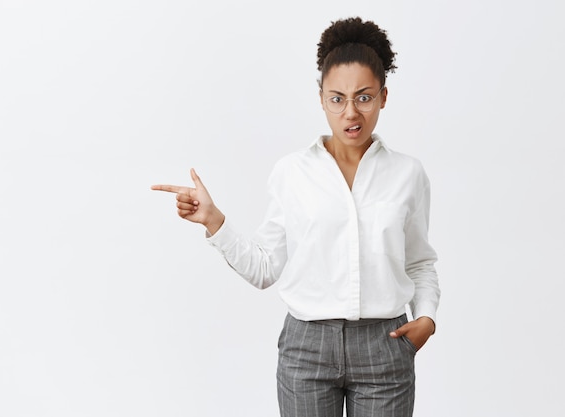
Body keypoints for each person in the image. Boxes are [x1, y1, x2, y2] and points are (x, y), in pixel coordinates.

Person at [152, 16, 440, 417]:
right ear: (321, 98)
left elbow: (420, 261)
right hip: (307, 349)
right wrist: (214, 221)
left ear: (384, 96)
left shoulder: (409, 174)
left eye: (364, 96)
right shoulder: (292, 172)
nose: (350, 113)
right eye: (337, 98)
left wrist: (426, 317)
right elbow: (265, 269)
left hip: (384, 343)